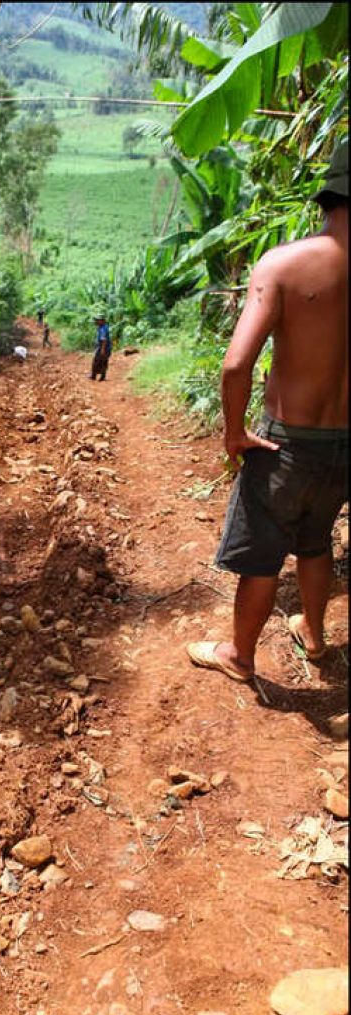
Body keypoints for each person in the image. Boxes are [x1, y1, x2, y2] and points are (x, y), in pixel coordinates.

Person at [187, 135, 348, 683]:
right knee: (316, 536)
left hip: (285, 442)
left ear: (327, 198)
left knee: (261, 554)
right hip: (343, 448)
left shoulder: (283, 264)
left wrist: (235, 435)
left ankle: (239, 655)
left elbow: (237, 365)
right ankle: (316, 633)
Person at [90, 314, 112, 380]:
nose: (96, 321)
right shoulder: (102, 327)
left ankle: (95, 376)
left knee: (97, 361)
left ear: (102, 321)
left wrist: (102, 349)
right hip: (104, 348)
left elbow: (104, 340)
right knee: (103, 361)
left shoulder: (103, 328)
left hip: (103, 348)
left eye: (97, 320)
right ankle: (99, 376)